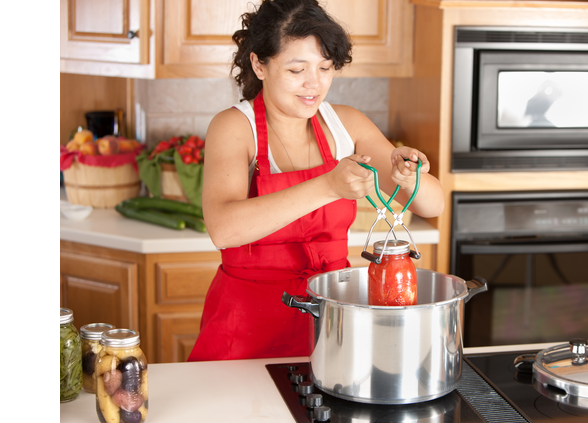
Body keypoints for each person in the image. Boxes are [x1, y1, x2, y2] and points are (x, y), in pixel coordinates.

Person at [187, 0, 444, 361]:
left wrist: (408, 175)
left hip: (330, 318)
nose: (314, 84)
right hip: (246, 326)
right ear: (260, 64)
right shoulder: (234, 127)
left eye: (325, 68)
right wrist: (328, 186)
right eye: (297, 70)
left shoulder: (346, 124)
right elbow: (223, 229)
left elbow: (433, 205)